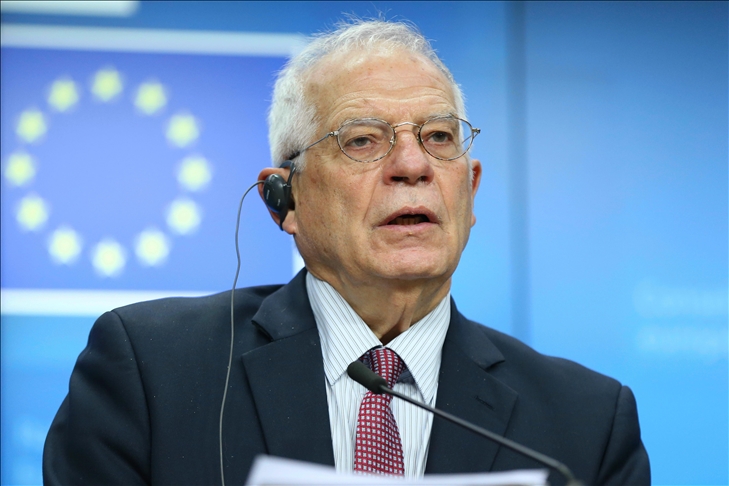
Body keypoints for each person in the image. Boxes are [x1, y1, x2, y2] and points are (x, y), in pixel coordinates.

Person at [43, 19, 650, 486]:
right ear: (285, 199)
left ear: (471, 190)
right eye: (362, 140)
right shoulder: (153, 371)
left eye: (439, 137)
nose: (412, 166)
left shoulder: (586, 424)